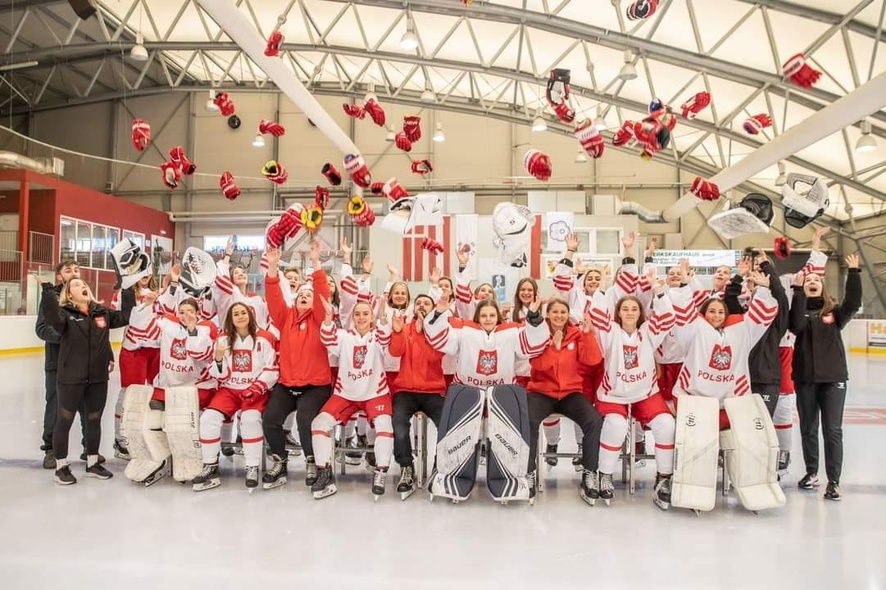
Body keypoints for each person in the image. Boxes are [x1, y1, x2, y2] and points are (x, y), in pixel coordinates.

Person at [588, 266, 678, 509]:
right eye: (625, 308)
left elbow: (668, 317)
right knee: (616, 425)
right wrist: (604, 286)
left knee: (666, 424)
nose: (629, 312)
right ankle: (604, 474)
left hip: (645, 392)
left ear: (640, 313)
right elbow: (596, 313)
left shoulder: (648, 332)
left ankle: (664, 477)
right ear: (618, 312)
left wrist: (658, 290)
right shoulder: (610, 332)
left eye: (634, 309)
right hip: (613, 394)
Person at [34, 274, 133, 485]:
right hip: (71, 377)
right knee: (65, 421)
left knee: (94, 419)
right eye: (77, 285)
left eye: (84, 284)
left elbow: (126, 316)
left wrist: (127, 289)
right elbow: (50, 318)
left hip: (97, 378)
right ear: (69, 295)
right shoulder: (64, 315)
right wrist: (47, 290)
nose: (82, 286)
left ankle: (93, 462)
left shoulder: (102, 312)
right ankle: (61, 466)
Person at [670, 260, 777, 430]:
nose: (717, 316)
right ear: (704, 313)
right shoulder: (694, 330)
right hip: (694, 400)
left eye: (721, 312)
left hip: (732, 403)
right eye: (712, 311)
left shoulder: (740, 331)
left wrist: (764, 289)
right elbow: (683, 311)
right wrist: (684, 284)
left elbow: (761, 317)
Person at [261, 240, 332, 490]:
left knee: (305, 418)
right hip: (288, 384)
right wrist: (272, 267)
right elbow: (273, 297)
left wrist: (315, 263)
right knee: (270, 418)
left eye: (308, 295)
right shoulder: (285, 317)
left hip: (316, 386)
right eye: (301, 294)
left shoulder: (319, 318)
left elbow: (323, 293)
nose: (304, 297)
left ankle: (311, 460)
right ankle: (280, 461)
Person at [790, 253, 861, 501]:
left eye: (816, 280)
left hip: (833, 380)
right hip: (805, 379)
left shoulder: (835, 314)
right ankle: (811, 473)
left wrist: (853, 273)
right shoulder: (798, 311)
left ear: (822, 287)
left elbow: (853, 302)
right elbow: (796, 326)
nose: (812, 281)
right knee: (808, 428)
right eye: (808, 279)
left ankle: (834, 481)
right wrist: (797, 293)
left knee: (832, 430)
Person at [310, 298, 393, 500]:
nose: (361, 317)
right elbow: (328, 338)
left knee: (384, 426)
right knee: (319, 424)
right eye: (357, 314)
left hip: (375, 392)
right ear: (352, 317)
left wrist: (383, 315)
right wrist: (329, 319)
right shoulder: (344, 336)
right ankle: (324, 472)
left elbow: (386, 337)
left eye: (366, 314)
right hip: (345, 393)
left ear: (371, 317)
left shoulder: (377, 336)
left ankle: (380, 472)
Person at [193, 303, 278, 491]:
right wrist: (217, 358)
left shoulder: (265, 338)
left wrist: (257, 387)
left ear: (250, 315)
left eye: (243, 313)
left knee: (250, 419)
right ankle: (210, 466)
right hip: (229, 390)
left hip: (254, 391)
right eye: (235, 314)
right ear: (230, 318)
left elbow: (272, 369)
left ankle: (252, 466)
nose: (240, 316)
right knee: (208, 419)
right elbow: (219, 375)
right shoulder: (222, 339)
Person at [525, 298, 604, 503]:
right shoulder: (539, 334)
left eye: (563, 312)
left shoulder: (578, 334)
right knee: (529, 421)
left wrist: (587, 335)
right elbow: (538, 365)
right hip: (542, 391)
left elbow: (592, 360)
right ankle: (529, 473)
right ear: (548, 314)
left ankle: (589, 473)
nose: (559, 316)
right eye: (555, 312)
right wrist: (554, 348)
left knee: (594, 420)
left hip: (570, 392)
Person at [34, 260, 98, 469]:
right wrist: (66, 338)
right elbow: (42, 328)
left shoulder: (85, 297)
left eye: (76, 270)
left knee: (87, 405)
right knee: (56, 406)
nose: (74, 273)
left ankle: (89, 448)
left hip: (83, 364)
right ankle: (51, 449)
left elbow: (96, 328)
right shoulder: (52, 297)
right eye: (68, 270)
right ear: (59, 276)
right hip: (58, 364)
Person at [388, 294, 446, 498]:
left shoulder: (438, 332)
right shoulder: (404, 328)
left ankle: (440, 468)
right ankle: (407, 467)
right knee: (399, 425)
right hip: (406, 390)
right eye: (418, 303)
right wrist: (396, 332)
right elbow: (395, 352)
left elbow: (434, 357)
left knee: (447, 425)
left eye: (426, 303)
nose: (421, 306)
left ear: (432, 309)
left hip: (433, 390)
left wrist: (425, 334)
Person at [110, 273, 161, 460]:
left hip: (156, 349)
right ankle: (120, 439)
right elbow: (125, 318)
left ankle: (154, 435)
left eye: (148, 271)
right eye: (140, 271)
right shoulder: (124, 294)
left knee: (159, 393)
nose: (146, 275)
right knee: (129, 395)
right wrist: (145, 304)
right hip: (134, 350)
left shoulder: (159, 293)